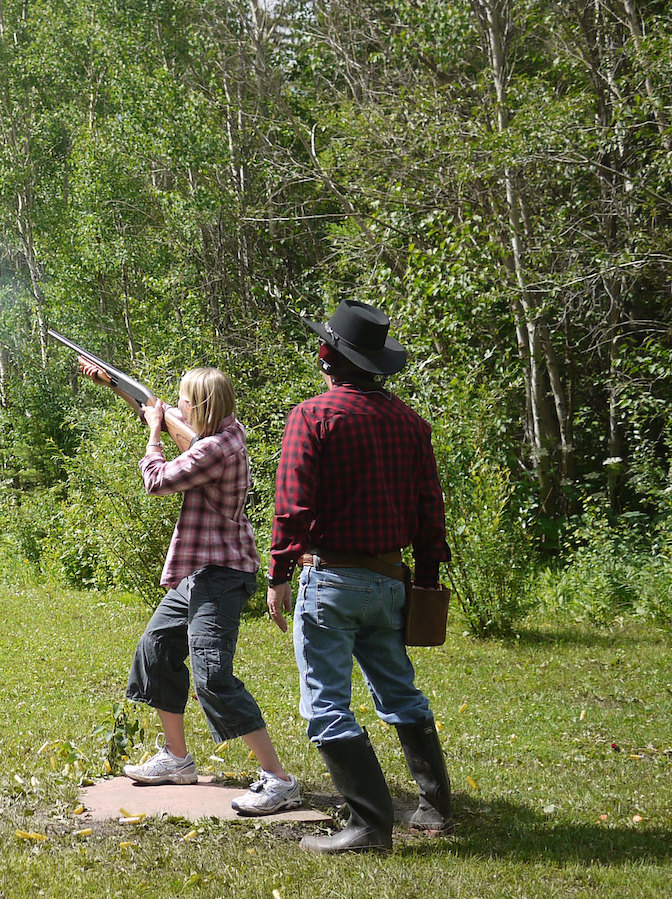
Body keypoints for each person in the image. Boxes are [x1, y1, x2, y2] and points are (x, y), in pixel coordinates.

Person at [265, 299, 453, 854]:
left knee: (325, 704)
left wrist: (277, 572)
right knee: (400, 693)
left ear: (327, 355)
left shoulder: (312, 416)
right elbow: (430, 513)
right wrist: (422, 579)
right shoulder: (411, 425)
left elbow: (292, 507)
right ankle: (434, 807)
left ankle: (370, 828)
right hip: (391, 583)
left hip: (331, 582)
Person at [79, 359, 303, 817]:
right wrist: (125, 394)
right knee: (156, 646)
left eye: (182, 399)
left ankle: (279, 780)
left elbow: (157, 480)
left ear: (199, 405)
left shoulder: (216, 448)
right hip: (200, 571)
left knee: (213, 675)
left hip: (221, 573)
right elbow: (184, 432)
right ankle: (178, 759)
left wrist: (154, 432)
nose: (176, 403)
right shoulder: (224, 432)